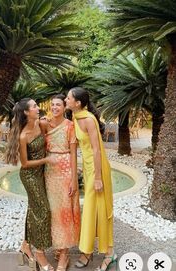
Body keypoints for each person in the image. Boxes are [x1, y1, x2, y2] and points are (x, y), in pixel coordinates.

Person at [65, 87, 117, 271]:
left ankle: (105, 253)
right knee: (91, 208)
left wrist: (97, 178)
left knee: (99, 209)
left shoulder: (87, 119)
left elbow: (96, 149)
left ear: (77, 103)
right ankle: (91, 251)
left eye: (68, 97)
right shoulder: (76, 116)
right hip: (88, 168)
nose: (66, 99)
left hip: (98, 170)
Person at [6, 98, 55, 271]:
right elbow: (25, 164)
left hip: (41, 173)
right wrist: (46, 160)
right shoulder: (23, 136)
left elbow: (52, 129)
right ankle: (40, 254)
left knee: (33, 209)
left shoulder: (39, 125)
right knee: (43, 210)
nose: (38, 108)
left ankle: (25, 246)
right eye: (34, 106)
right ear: (26, 112)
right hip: (30, 176)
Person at [40, 94, 81, 271]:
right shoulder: (45, 124)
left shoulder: (71, 126)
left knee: (64, 212)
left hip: (65, 171)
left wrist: (74, 179)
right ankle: (57, 246)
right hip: (49, 170)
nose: (55, 107)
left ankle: (64, 255)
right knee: (52, 211)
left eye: (58, 104)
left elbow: (73, 154)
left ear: (64, 107)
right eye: (53, 105)